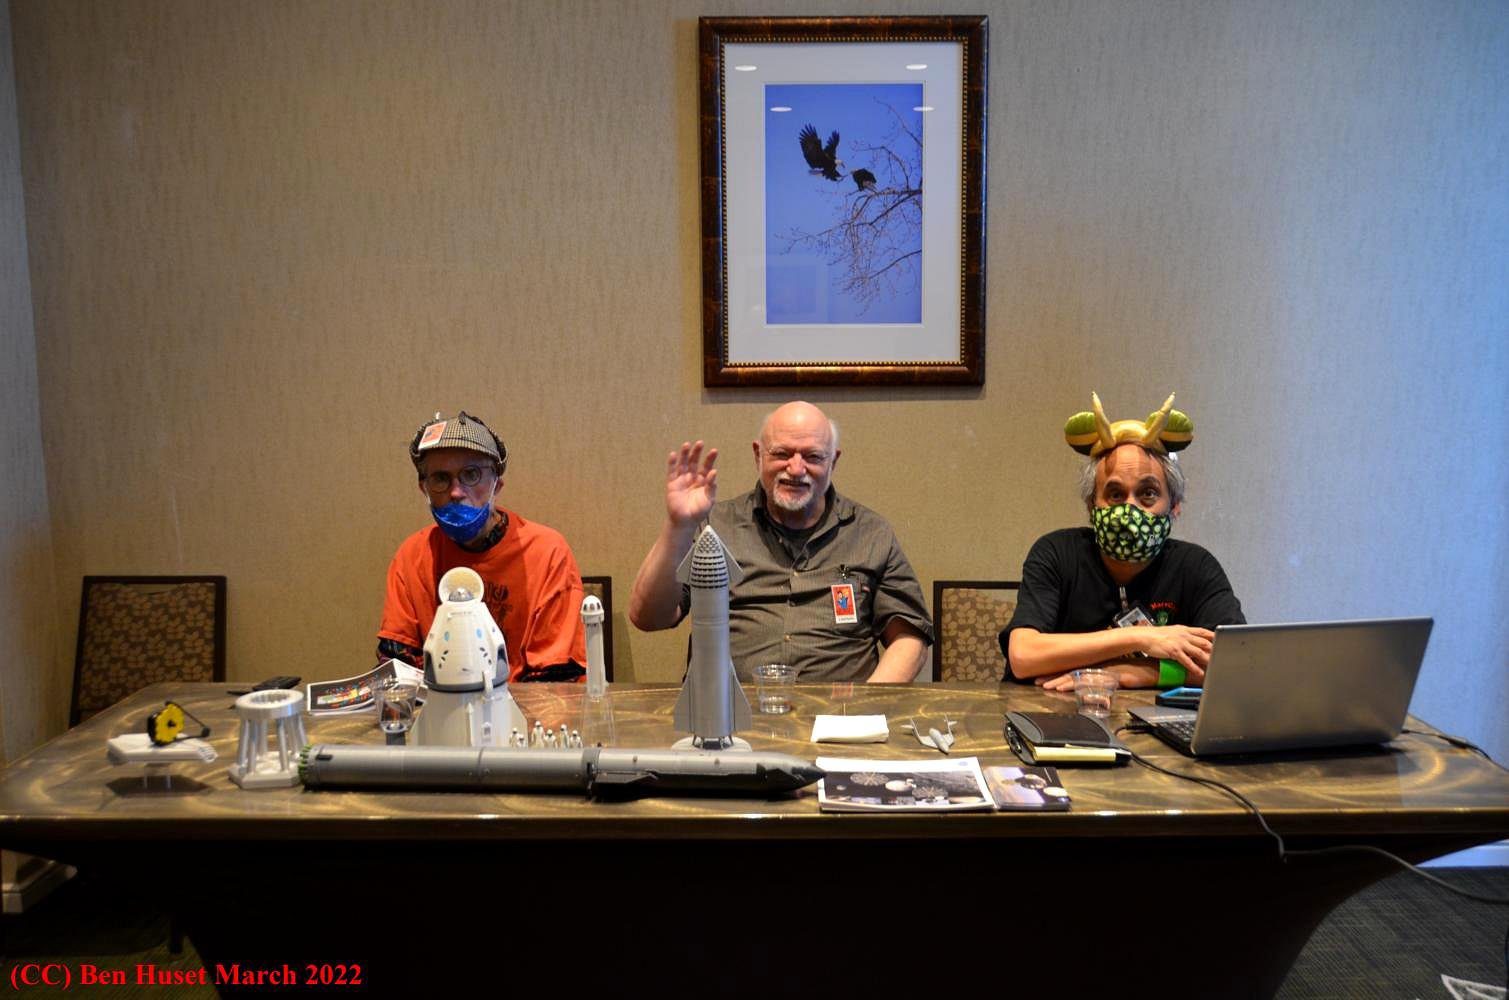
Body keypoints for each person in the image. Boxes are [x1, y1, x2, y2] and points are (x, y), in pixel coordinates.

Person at [628, 401, 932, 683]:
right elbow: (648, 617)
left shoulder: (870, 533)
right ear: (758, 455)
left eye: (813, 456)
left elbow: (910, 638)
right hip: (728, 718)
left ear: (833, 461)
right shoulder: (714, 526)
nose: (796, 469)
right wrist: (678, 526)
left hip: (838, 722)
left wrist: (862, 710)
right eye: (782, 453)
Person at [1000, 393, 1244, 692]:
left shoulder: (1195, 567)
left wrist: (1131, 672)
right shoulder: (1055, 552)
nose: (1129, 511)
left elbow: (1235, 665)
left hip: (1157, 724)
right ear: (1092, 505)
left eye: (1148, 494)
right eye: (1115, 495)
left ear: (1174, 505)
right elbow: (1024, 656)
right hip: (1047, 716)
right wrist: (1142, 638)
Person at [377, 410, 587, 681]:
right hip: (438, 711)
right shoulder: (413, 556)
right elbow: (398, 665)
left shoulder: (547, 553)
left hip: (525, 712)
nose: (456, 492)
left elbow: (556, 677)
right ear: (424, 488)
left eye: (471, 474)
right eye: (441, 478)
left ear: (496, 484)